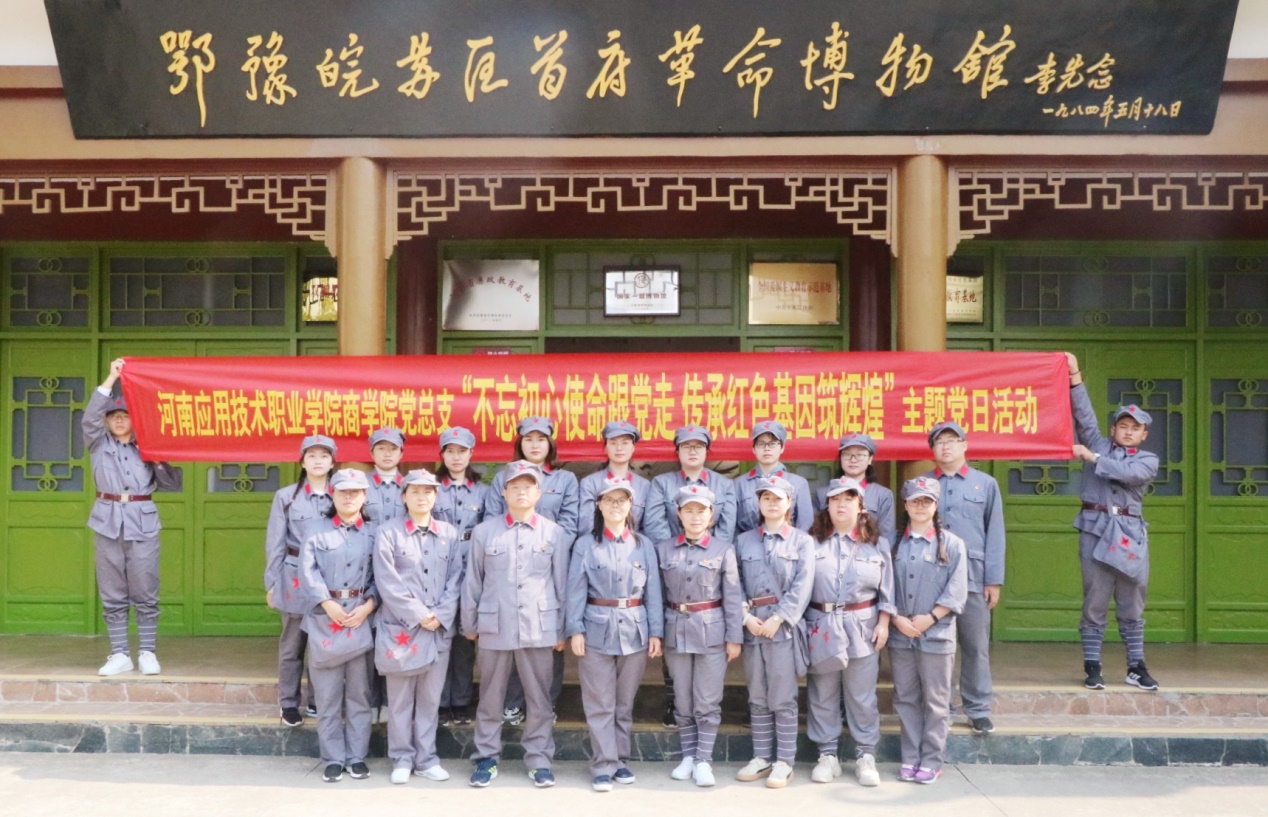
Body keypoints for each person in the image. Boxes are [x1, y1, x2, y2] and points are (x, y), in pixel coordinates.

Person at [460, 461, 571, 789]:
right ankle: (486, 757)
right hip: (494, 625)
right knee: (490, 697)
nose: (522, 492)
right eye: (515, 486)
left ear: (538, 493)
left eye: (528, 486)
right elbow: (473, 581)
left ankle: (539, 759)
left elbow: (562, 583)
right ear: (505, 492)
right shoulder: (485, 532)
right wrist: (469, 622)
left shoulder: (554, 533)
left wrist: (562, 630)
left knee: (539, 699)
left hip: (539, 626)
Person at [1066, 353, 1161, 691]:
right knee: (1095, 600)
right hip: (1095, 530)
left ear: (1144, 434)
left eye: (1135, 428)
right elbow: (1084, 415)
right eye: (1123, 426)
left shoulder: (1148, 460)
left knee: (1132, 602)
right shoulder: (1098, 444)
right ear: (1113, 429)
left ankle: (1136, 666)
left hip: (1130, 535)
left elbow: (1127, 473)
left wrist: (1093, 458)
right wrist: (1074, 376)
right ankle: (1092, 666)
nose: (1128, 431)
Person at [83, 358, 182, 676]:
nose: (119, 419)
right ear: (107, 421)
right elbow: (89, 418)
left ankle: (148, 652)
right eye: (114, 415)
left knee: (145, 590)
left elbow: (172, 484)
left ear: (135, 420)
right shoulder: (98, 443)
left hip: (143, 522)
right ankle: (119, 654)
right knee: (112, 591)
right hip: (107, 521)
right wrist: (111, 378)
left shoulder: (148, 446)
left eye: (125, 415)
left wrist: (158, 457)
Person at [566, 477, 664, 792]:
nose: (615, 505)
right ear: (599, 505)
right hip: (595, 629)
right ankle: (603, 765)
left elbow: (653, 592)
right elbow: (575, 589)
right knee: (599, 702)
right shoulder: (585, 544)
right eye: (609, 500)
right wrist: (575, 629)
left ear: (631, 505)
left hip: (635, 630)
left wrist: (656, 631)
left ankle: (620, 760)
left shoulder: (643, 545)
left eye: (621, 500)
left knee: (623, 703)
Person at [485, 416, 579, 725]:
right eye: (529, 439)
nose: (535, 444)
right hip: (508, 566)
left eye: (541, 439)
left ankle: (546, 704)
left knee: (548, 637)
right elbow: (492, 519)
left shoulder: (565, 480)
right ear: (520, 443)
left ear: (550, 444)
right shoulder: (503, 477)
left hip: (549, 565)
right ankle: (513, 702)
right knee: (513, 635)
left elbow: (570, 524)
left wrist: (546, 550)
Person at [373, 469, 463, 784]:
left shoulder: (449, 534)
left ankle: (426, 759)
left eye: (428, 491)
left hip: (437, 629)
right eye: (415, 491)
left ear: (436, 496)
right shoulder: (388, 532)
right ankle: (401, 758)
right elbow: (387, 581)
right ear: (404, 496)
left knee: (430, 699)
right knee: (399, 700)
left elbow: (457, 578)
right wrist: (419, 614)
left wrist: (441, 614)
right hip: (402, 629)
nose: (422, 497)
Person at [644, 425, 738, 727]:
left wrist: (705, 553)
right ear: (678, 451)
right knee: (675, 638)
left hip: (712, 565)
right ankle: (675, 701)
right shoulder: (662, 483)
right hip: (671, 564)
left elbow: (726, 529)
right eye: (686, 446)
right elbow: (655, 524)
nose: (693, 451)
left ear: (707, 451)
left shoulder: (724, 485)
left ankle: (704, 712)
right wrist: (676, 554)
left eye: (699, 446)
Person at [804, 477, 894, 788]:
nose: (841, 505)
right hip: (821, 625)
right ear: (827, 506)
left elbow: (888, 590)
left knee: (861, 695)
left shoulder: (877, 544)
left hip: (863, 626)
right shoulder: (811, 542)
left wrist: (884, 623)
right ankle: (827, 755)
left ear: (861, 506)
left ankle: (865, 755)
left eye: (849, 499)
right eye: (835, 500)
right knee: (823, 693)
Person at [656, 485, 744, 788]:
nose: (695, 516)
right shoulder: (663, 549)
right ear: (679, 514)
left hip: (712, 632)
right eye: (689, 510)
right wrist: (656, 633)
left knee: (707, 700)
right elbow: (656, 595)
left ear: (711, 515)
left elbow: (733, 596)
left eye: (701, 511)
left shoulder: (723, 549)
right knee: (682, 698)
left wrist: (734, 637)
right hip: (675, 630)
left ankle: (703, 759)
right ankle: (688, 756)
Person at [923, 420, 1005, 734]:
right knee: (936, 648)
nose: (946, 446)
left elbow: (995, 534)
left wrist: (993, 580)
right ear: (932, 449)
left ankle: (978, 709)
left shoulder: (985, 484)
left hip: (974, 577)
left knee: (975, 646)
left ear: (964, 445)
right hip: (932, 579)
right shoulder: (922, 484)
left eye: (952, 440)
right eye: (939, 441)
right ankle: (940, 707)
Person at [733, 477, 814, 789]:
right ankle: (762, 757)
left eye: (777, 498)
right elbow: (734, 583)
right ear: (759, 503)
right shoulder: (744, 541)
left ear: (789, 503)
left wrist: (779, 618)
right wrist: (745, 616)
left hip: (783, 629)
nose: (771, 503)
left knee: (782, 696)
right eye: (765, 498)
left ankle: (785, 762)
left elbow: (803, 586)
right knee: (757, 695)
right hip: (753, 625)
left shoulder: (802, 541)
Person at [299, 468, 378, 783]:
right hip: (324, 620)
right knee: (327, 697)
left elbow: (382, 576)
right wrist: (326, 603)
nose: (349, 497)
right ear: (333, 494)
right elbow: (307, 572)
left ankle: (357, 757)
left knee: (359, 695)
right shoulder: (316, 530)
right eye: (343, 491)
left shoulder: (374, 533)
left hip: (360, 618)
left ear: (364, 496)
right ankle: (332, 758)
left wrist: (368, 606)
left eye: (355, 492)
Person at [888, 477, 967, 785]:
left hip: (937, 634)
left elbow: (957, 591)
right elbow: (883, 586)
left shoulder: (952, 544)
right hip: (901, 633)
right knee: (905, 697)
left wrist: (931, 618)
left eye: (927, 501)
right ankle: (910, 757)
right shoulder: (892, 543)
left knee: (936, 700)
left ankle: (932, 760)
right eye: (915, 501)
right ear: (905, 505)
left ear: (936, 505)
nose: (920, 506)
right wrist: (896, 618)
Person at [264, 434, 335, 726]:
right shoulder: (286, 496)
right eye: (312, 456)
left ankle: (318, 700)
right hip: (293, 576)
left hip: (329, 578)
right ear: (302, 462)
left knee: (323, 643)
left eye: (324, 456)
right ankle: (289, 704)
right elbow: (275, 542)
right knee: (293, 645)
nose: (318, 461)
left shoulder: (341, 494)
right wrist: (271, 583)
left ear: (332, 462)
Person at [433, 426, 489, 726]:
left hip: (471, 569)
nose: (456, 457)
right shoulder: (431, 488)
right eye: (450, 451)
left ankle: (461, 700)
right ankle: (441, 701)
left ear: (471, 454)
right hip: (438, 569)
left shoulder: (483, 491)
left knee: (466, 637)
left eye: (462, 451)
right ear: (442, 455)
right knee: (441, 637)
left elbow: (490, 529)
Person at [814, 433, 897, 547]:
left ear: (870, 459)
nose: (853, 460)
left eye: (860, 455)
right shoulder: (822, 493)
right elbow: (815, 531)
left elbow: (886, 536)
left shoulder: (883, 495)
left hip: (867, 555)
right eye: (847, 454)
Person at [735, 420, 815, 536]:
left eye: (772, 443)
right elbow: (734, 528)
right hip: (748, 545)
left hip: (788, 545)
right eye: (761, 444)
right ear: (753, 449)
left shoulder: (798, 483)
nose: (767, 448)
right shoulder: (739, 484)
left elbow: (805, 525)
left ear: (782, 447)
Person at [577, 420, 652, 533]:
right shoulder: (590, 483)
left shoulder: (645, 486)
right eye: (613, 443)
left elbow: (648, 528)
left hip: (633, 543)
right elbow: (586, 528)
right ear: (605, 447)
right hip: (598, 542)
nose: (619, 448)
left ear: (633, 447)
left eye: (625, 443)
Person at [364, 427, 407, 524]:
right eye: (381, 448)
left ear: (401, 454)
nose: (387, 454)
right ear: (372, 453)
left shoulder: (409, 486)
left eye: (393, 449)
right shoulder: (361, 484)